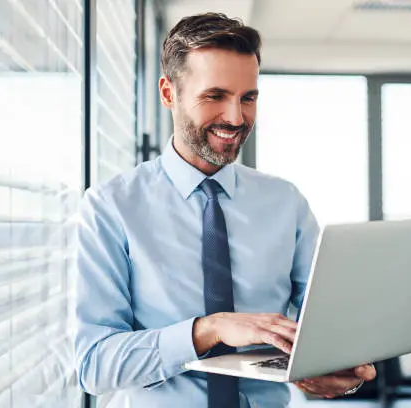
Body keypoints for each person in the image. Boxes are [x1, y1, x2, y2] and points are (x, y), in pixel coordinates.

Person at [74, 12, 376, 408]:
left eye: (247, 98)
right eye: (215, 96)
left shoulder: (285, 203)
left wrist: (338, 370)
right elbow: (95, 366)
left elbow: (324, 333)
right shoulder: (111, 207)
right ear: (168, 93)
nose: (236, 118)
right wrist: (209, 329)